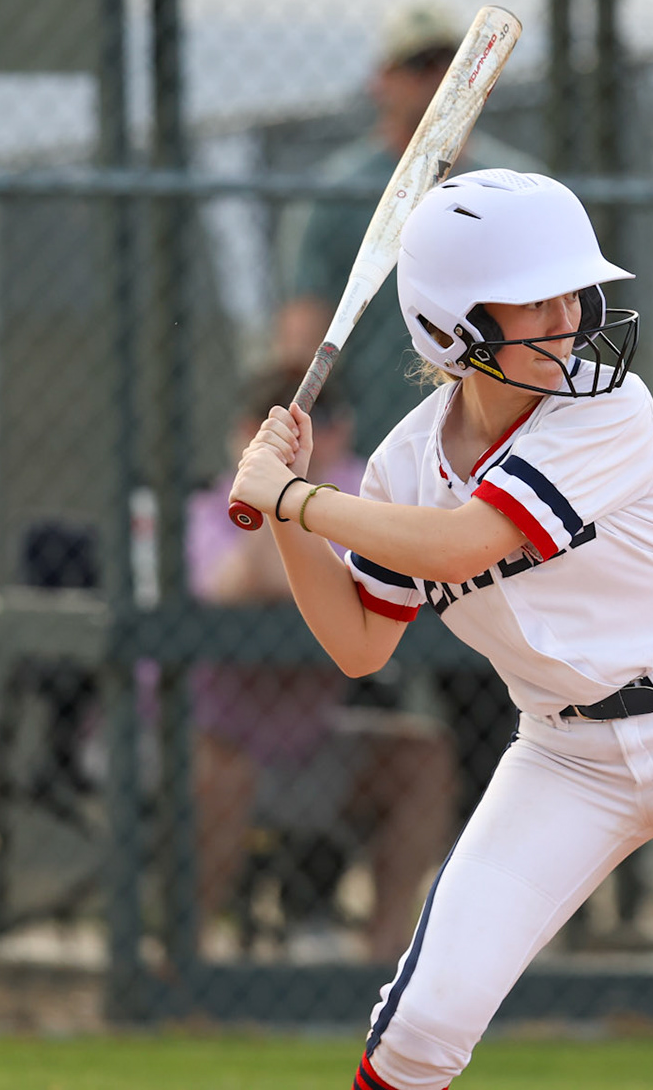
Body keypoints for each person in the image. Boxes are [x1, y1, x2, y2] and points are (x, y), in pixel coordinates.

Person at [231, 171, 653, 1090]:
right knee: (420, 1024)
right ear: (455, 327)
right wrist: (287, 516)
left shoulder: (610, 411)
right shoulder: (405, 463)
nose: (569, 313)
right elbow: (362, 643)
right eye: (536, 299)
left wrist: (299, 498)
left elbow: (467, 543)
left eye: (572, 290)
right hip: (564, 753)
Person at [274, 0, 539, 821]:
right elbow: (300, 331)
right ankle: (321, 889)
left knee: (486, 701)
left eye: (442, 66)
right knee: (364, 685)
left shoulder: (501, 186)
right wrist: (290, 433)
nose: (432, 82)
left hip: (479, 461)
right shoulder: (345, 189)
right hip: (377, 471)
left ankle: (497, 862)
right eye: (416, 67)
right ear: (380, 81)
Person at [183, 366, 456, 962]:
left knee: (421, 756)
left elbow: (390, 565)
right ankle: (186, 954)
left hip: (310, 742)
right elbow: (237, 586)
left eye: (327, 420)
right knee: (221, 772)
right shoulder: (208, 508)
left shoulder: (363, 485)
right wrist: (269, 481)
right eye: (266, 421)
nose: (314, 433)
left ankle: (386, 956)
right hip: (211, 735)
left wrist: (304, 489)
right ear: (240, 432)